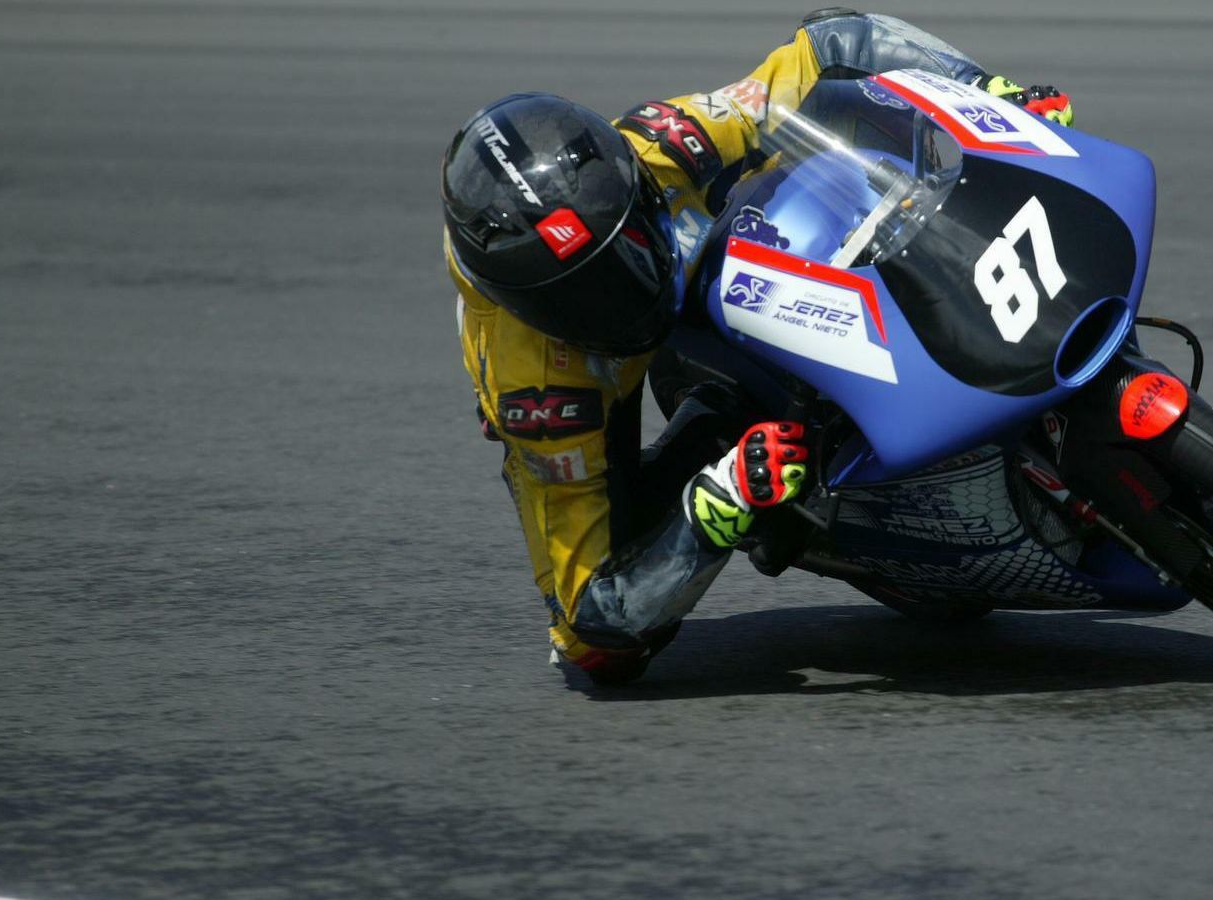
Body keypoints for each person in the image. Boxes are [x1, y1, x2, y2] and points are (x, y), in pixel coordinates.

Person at [441, 8, 1075, 684]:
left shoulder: (663, 145)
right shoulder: (536, 389)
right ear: (523, 306)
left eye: (627, 246)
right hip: (647, 377)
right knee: (615, 640)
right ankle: (789, 504)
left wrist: (986, 91)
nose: (620, 293)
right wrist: (713, 511)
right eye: (579, 296)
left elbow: (833, 42)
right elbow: (587, 624)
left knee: (843, 147)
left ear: (635, 181)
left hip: (737, 263)